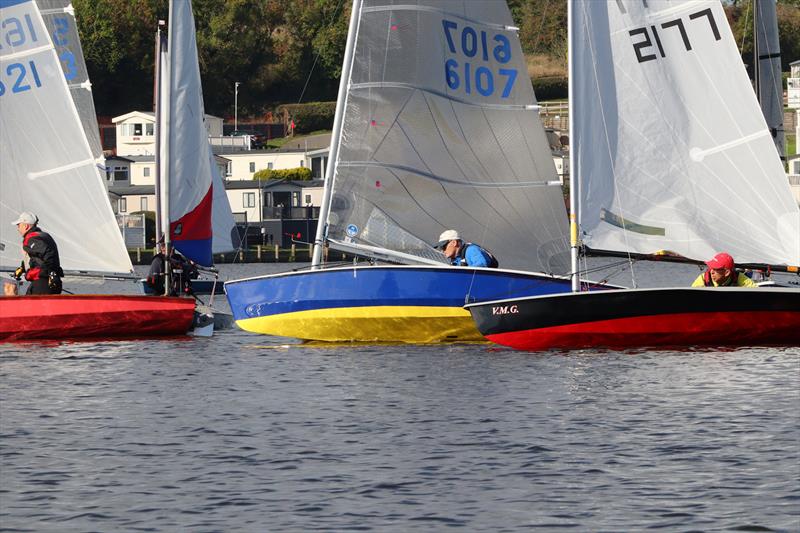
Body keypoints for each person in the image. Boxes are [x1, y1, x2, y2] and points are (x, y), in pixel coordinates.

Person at [12, 212, 63, 295]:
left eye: (19, 225)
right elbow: (36, 256)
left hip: (43, 282)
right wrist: (22, 267)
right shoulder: (43, 235)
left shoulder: (32, 238)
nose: (18, 228)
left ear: (26, 226)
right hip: (48, 281)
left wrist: (52, 273)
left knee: (30, 303)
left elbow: (47, 253)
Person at [433, 229, 498, 268]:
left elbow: (482, 265)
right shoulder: (455, 260)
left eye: (444, 246)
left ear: (454, 243)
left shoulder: (471, 250)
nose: (442, 250)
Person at [691, 252, 757, 288]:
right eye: (711, 268)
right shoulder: (703, 279)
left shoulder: (739, 278)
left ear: (727, 272)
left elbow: (756, 293)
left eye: (715, 269)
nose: (711, 272)